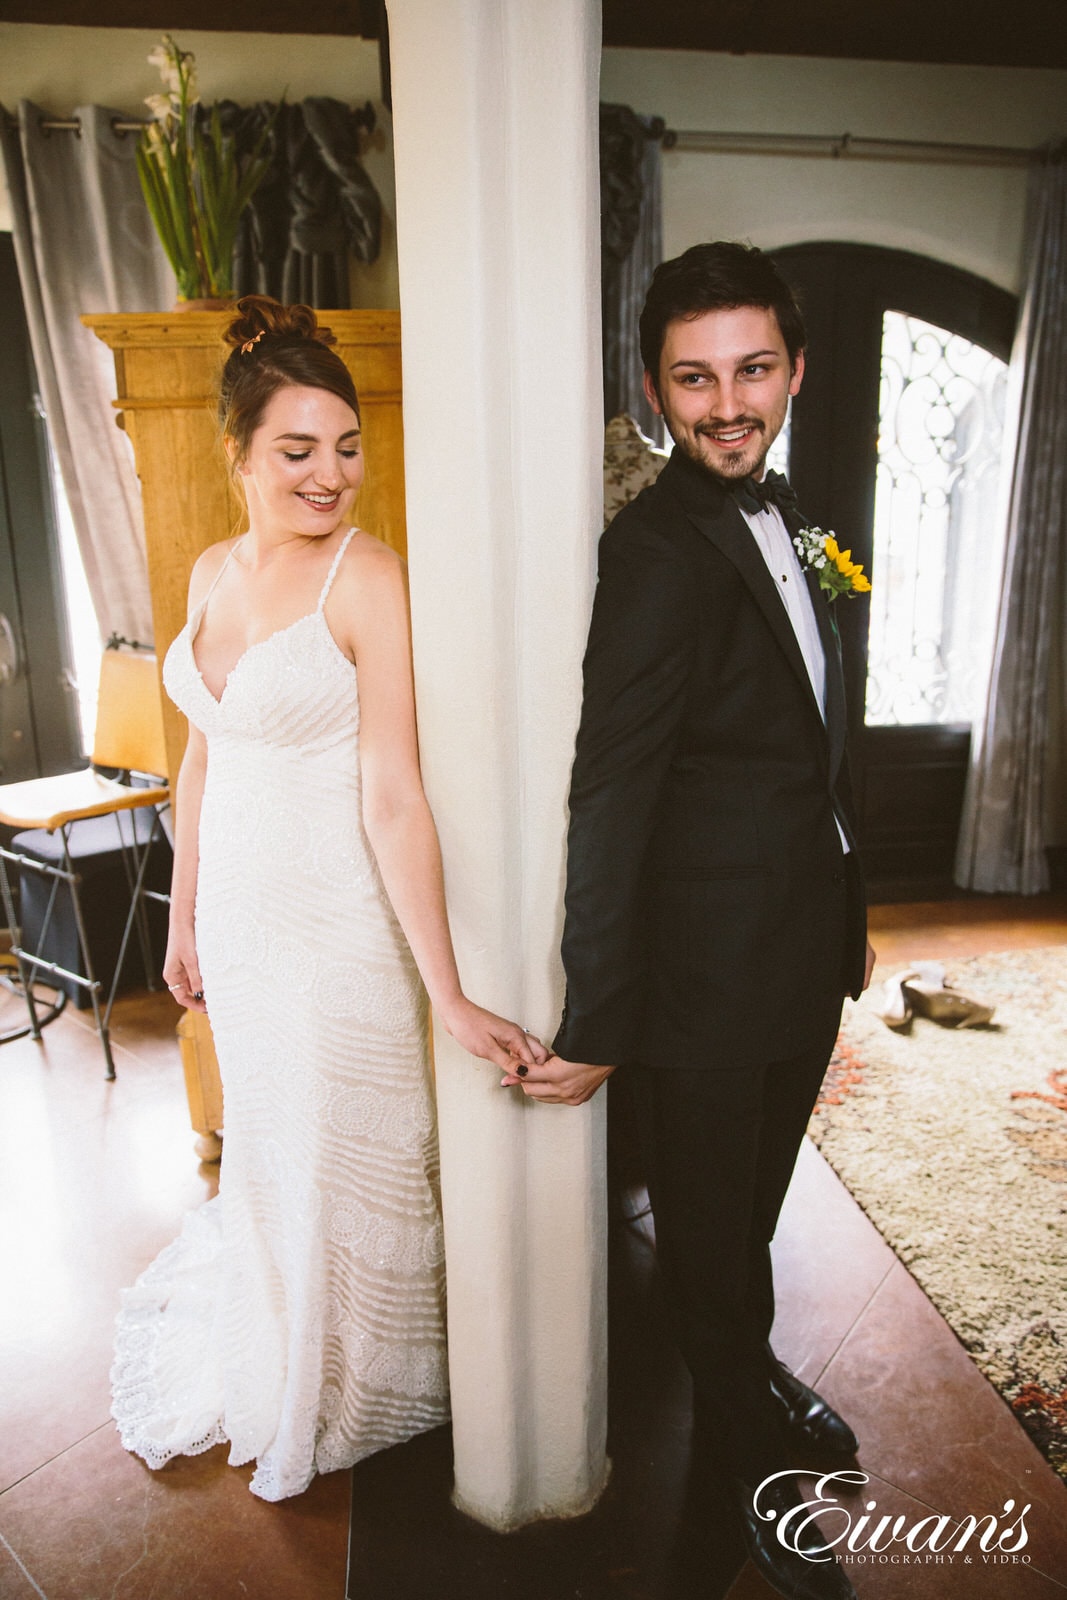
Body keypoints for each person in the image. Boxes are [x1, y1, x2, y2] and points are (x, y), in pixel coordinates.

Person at [111, 295, 542, 1502]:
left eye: (345, 447)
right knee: (266, 1149)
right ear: (240, 456)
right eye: (297, 450)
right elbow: (199, 755)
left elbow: (395, 794)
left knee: (342, 1152)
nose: (330, 474)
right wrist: (182, 914)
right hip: (242, 924)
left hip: (339, 926)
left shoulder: (369, 580)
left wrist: (449, 992)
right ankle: (274, 1337)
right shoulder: (207, 571)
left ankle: (362, 1375)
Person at [504, 243, 875, 1600]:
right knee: (711, 1263)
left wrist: (846, 906)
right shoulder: (652, 553)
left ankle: (756, 1411)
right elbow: (607, 800)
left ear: (791, 368)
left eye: (751, 370)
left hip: (795, 962)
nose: (725, 404)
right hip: (704, 989)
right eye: (692, 378)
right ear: (655, 388)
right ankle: (743, 1505)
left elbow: (808, 752)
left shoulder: (795, 519)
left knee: (739, 1233)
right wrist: (598, 1015)